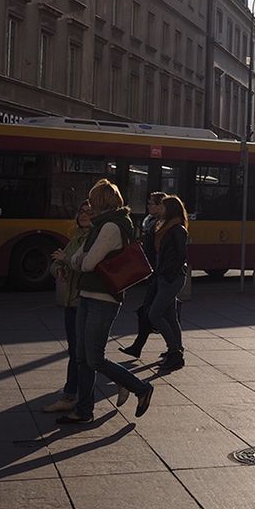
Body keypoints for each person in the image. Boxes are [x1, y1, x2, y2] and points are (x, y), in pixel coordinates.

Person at [61, 178, 155, 424]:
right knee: (82, 357)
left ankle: (140, 388)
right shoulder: (99, 225)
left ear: (101, 201)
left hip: (103, 299)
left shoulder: (111, 227)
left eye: (92, 198)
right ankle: (84, 411)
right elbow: (77, 260)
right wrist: (80, 261)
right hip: (87, 295)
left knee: (94, 358)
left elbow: (86, 262)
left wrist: (80, 262)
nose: (89, 203)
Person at [42, 200, 93, 413]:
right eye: (81, 211)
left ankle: (70, 395)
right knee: (80, 351)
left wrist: (66, 260)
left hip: (83, 300)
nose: (83, 215)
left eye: (89, 212)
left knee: (81, 352)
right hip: (70, 301)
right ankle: (120, 380)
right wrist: (59, 268)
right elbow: (58, 263)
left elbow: (85, 264)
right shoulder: (76, 237)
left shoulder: (93, 238)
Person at [119, 191, 166, 359]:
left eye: (152, 203)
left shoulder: (160, 225)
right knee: (163, 314)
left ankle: (173, 350)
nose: (148, 206)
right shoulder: (150, 223)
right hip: (154, 273)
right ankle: (174, 349)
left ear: (161, 206)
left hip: (159, 274)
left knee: (148, 311)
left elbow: (159, 251)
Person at [146, 195, 190, 371]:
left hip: (171, 277)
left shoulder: (177, 229)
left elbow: (181, 256)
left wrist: (168, 273)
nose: (160, 210)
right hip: (164, 276)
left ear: (170, 209)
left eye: (163, 207)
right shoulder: (164, 227)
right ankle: (175, 349)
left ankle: (175, 354)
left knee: (154, 314)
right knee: (171, 317)